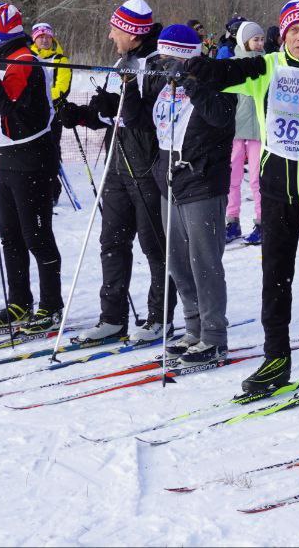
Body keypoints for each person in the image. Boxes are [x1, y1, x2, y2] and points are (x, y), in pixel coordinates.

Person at [194, 0, 299, 396]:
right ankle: (276, 359)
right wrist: (195, 68)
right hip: (277, 187)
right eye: (294, 30)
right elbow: (221, 72)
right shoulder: (266, 66)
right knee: (275, 274)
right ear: (283, 34)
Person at [57, 0, 175, 341]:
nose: (110, 36)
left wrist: (121, 102)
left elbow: (151, 119)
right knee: (111, 242)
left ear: (132, 33)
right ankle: (112, 317)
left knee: (155, 248)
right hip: (117, 166)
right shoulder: (123, 61)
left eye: (115, 30)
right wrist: (81, 114)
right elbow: (112, 113)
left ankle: (158, 318)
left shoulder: (158, 65)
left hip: (148, 168)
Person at [117, 24, 235, 362]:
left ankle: (214, 335)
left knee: (204, 263)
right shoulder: (162, 82)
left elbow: (221, 116)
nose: (161, 63)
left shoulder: (215, 77)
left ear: (184, 57)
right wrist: (127, 87)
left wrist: (189, 82)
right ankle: (193, 328)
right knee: (179, 263)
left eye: (168, 57)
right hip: (170, 182)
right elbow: (141, 120)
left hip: (202, 183)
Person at [0, 3, 63, 329]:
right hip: (8, 160)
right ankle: (19, 301)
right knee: (10, 235)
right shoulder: (5, 58)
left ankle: (51, 305)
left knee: (36, 236)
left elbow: (5, 103)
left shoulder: (24, 60)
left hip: (32, 159)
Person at [224, 20, 265, 246]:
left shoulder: (267, 64)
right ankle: (232, 221)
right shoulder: (233, 65)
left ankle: (262, 222)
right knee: (232, 178)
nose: (259, 43)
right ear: (243, 41)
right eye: (255, 39)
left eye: (261, 39)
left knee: (258, 179)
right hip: (237, 130)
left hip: (259, 131)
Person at [30, 22, 72, 205]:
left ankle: (52, 191)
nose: (45, 40)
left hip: (52, 114)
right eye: (41, 37)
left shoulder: (60, 60)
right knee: (32, 153)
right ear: (34, 39)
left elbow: (62, 88)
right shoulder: (27, 57)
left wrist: (41, 100)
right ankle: (34, 188)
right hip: (31, 114)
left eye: (48, 37)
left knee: (51, 152)